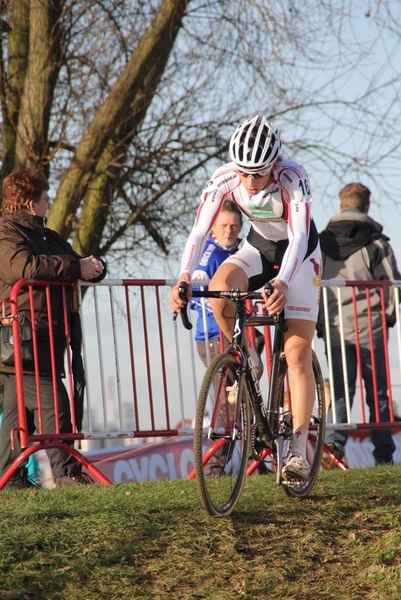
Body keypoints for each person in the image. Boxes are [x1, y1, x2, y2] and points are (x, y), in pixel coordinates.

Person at [170, 115, 321, 482]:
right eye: (244, 173)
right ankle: (249, 359)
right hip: (259, 247)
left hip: (299, 256)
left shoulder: (292, 177)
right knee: (221, 287)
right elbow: (200, 230)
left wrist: (283, 282)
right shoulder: (224, 178)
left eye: (258, 173)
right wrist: (184, 277)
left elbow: (298, 237)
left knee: (296, 353)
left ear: (274, 164)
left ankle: (298, 452)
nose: (250, 183)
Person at [0, 168, 106, 489]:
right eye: (46, 198)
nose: (50, 202)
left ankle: (11, 480)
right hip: (25, 337)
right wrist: (76, 267)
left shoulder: (47, 235)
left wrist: (94, 267)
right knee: (55, 404)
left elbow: (76, 261)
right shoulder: (6, 233)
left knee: (16, 414)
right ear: (31, 204)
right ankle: (67, 474)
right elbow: (25, 267)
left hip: (44, 337)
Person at [318, 182, 400, 467]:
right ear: (367, 207)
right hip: (371, 328)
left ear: (340, 207)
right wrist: (389, 317)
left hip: (334, 327)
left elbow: (312, 285)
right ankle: (383, 456)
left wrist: (319, 323)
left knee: (340, 390)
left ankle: (333, 445)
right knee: (377, 394)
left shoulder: (320, 243)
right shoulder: (377, 243)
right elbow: (393, 286)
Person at [190, 199, 265, 366]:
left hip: (234, 330)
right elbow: (194, 297)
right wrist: (223, 306)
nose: (229, 231)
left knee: (259, 339)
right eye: (223, 226)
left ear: (240, 228)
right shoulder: (209, 256)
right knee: (226, 392)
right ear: (213, 228)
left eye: (234, 226)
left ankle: (249, 385)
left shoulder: (238, 251)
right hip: (214, 336)